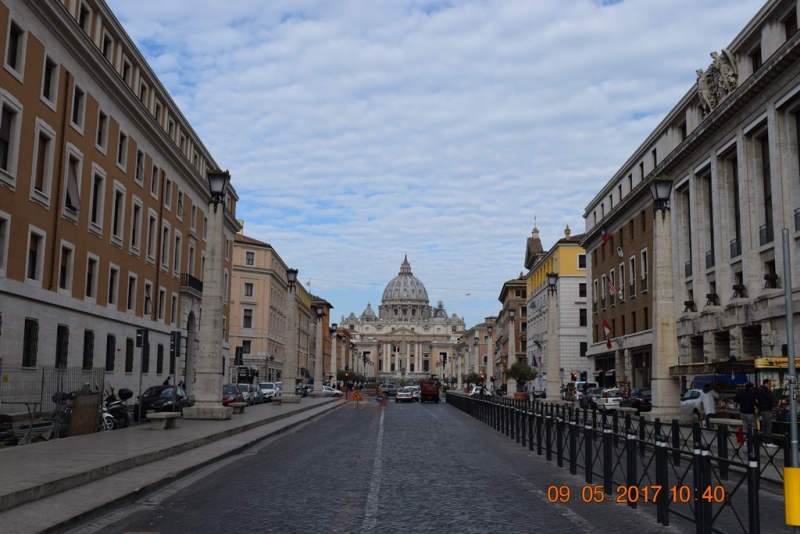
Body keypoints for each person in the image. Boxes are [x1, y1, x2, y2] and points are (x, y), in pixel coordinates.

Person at [756, 379, 776, 447]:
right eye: (769, 384)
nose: (770, 385)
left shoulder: (759, 390)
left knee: (764, 426)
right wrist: (770, 391)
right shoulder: (764, 391)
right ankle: (768, 441)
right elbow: (771, 397)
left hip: (763, 409)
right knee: (768, 426)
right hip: (766, 409)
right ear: (766, 384)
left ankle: (764, 440)